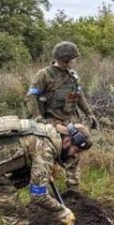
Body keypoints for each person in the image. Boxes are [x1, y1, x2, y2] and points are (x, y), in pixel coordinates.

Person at [25, 41, 98, 192]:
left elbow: (79, 95)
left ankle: (73, 188)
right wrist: (39, 119)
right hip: (52, 121)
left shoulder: (72, 76)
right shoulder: (44, 75)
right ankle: (42, 190)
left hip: (70, 120)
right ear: (66, 59)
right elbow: (31, 97)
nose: (75, 61)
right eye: (73, 58)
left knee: (75, 151)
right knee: (47, 154)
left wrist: (89, 113)